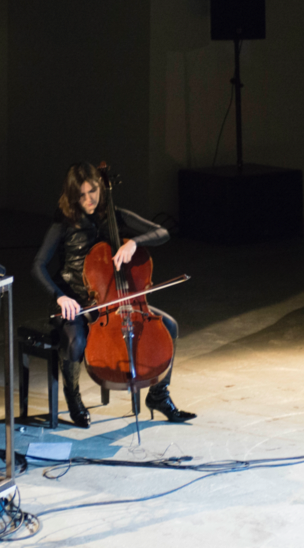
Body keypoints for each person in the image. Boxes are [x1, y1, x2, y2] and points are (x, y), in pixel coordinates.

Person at [32, 162, 195, 428]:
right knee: (75, 342)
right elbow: (37, 265)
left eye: (93, 192)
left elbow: (163, 232)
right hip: (76, 302)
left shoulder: (115, 215)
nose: (89, 200)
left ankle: (158, 395)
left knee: (170, 325)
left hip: (116, 303)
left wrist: (134, 242)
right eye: (82, 195)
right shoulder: (63, 222)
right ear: (73, 195)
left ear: (100, 188)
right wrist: (61, 297)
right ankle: (73, 398)